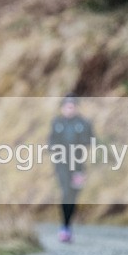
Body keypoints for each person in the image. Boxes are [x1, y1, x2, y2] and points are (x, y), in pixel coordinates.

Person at [48, 93, 94, 243]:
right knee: (66, 192)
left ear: (76, 107)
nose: (69, 109)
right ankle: (64, 227)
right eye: (67, 106)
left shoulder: (83, 123)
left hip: (78, 164)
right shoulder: (57, 123)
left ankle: (68, 225)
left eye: (72, 106)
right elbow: (51, 141)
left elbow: (90, 141)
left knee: (73, 195)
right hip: (61, 164)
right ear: (62, 108)